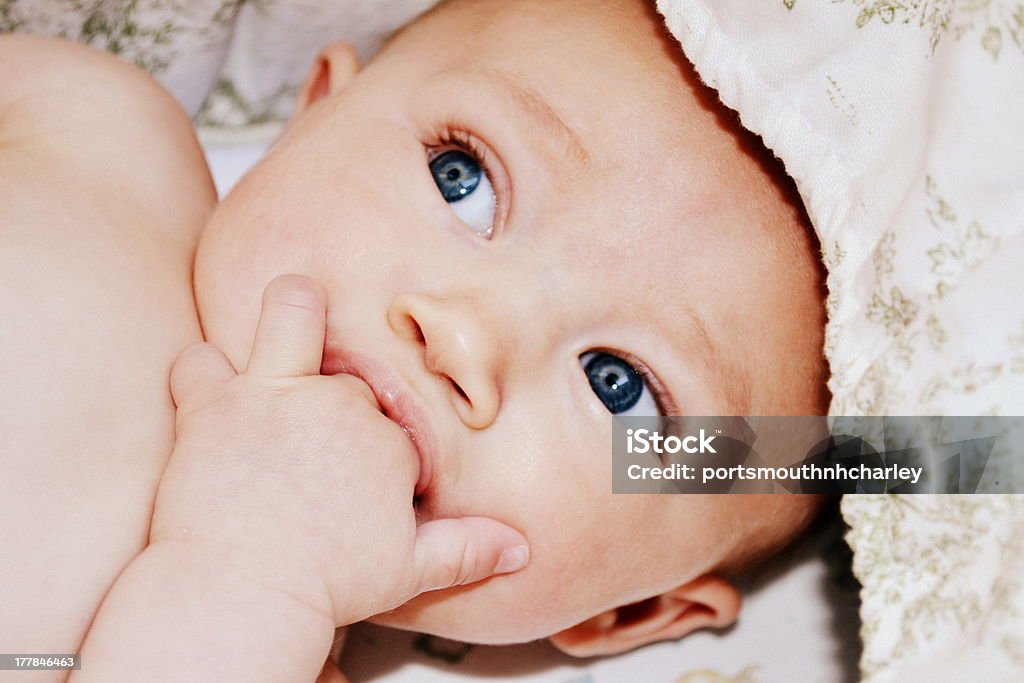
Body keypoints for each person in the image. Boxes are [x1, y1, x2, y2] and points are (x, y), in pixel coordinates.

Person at [0, 0, 830, 679]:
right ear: (318, 109)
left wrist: (249, 572)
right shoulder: (96, 120)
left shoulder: (256, 648)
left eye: (619, 385)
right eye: (460, 178)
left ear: (635, 611)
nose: (465, 335)